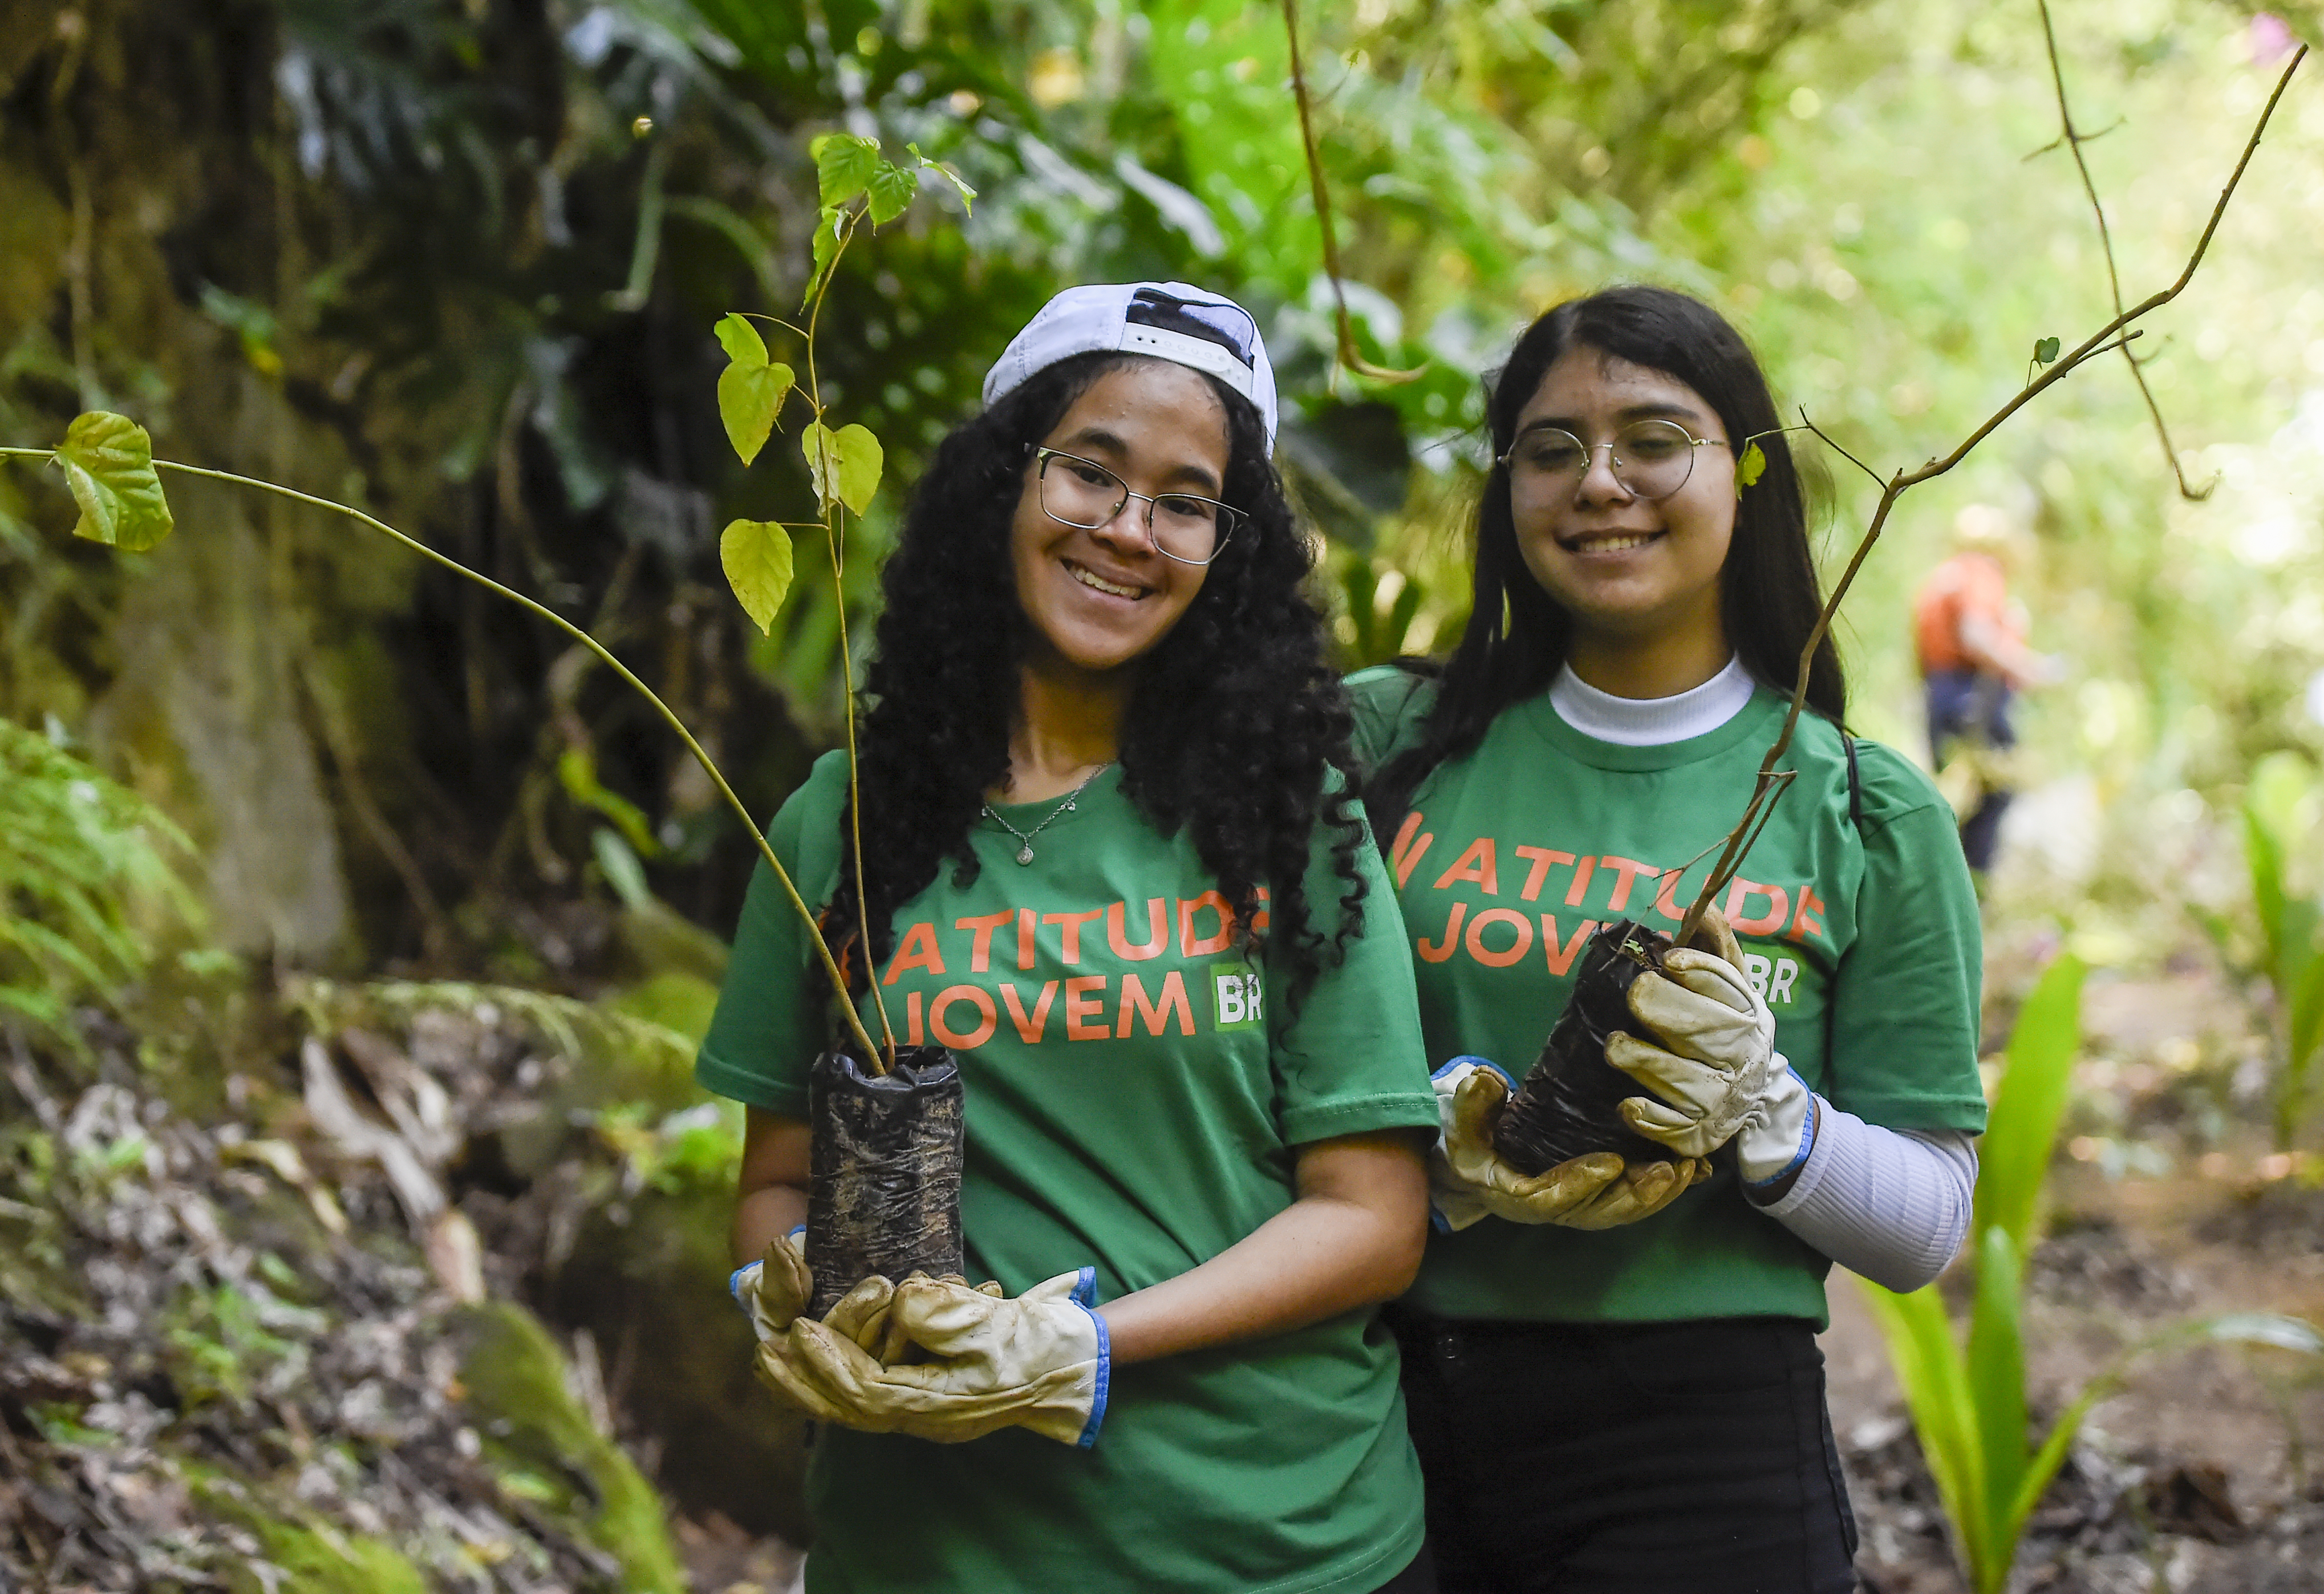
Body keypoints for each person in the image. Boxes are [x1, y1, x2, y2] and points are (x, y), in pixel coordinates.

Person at [697, 282, 1441, 1594]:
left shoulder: (1288, 821)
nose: (1128, 530)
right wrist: (801, 1297)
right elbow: (775, 1185)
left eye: (1186, 499)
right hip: (926, 1551)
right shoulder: (842, 822)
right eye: (1090, 472)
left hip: (1273, 1548)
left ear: (1231, 549)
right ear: (1003, 481)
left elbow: (1373, 1216)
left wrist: (1084, 1346)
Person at [1349, 284, 1989, 1593]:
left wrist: (1771, 1114)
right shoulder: (1389, 744)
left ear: (1747, 475)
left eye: (1654, 439)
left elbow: (1927, 1227)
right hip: (1369, 1421)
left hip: (1701, 1457)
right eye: (1552, 448)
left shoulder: (1861, 808)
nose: (1601, 484)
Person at [1911, 503, 2053, 875]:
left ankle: (1940, 880)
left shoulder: (1942, 578)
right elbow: (1976, 634)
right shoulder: (1980, 573)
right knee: (1997, 790)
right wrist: (2025, 665)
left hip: (1939, 695)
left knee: (1952, 791)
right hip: (1972, 695)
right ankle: (1971, 885)